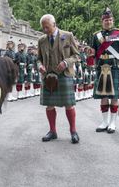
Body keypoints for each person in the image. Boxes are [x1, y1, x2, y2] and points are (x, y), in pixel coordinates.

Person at [37, 14, 80, 143]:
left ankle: (73, 131)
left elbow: (77, 56)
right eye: (43, 28)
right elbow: (38, 58)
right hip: (48, 77)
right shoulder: (41, 40)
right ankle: (52, 131)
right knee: (49, 105)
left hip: (64, 75)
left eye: (47, 27)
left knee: (69, 105)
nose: (45, 30)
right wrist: (39, 66)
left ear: (54, 24)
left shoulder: (67, 36)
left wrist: (66, 62)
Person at [91, 7, 119, 134]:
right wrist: (90, 56)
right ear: (101, 21)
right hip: (101, 67)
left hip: (115, 68)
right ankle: (104, 122)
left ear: (112, 20)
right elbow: (93, 53)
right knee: (103, 96)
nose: (108, 22)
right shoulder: (96, 36)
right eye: (105, 20)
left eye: (109, 19)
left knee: (114, 96)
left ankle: (112, 123)